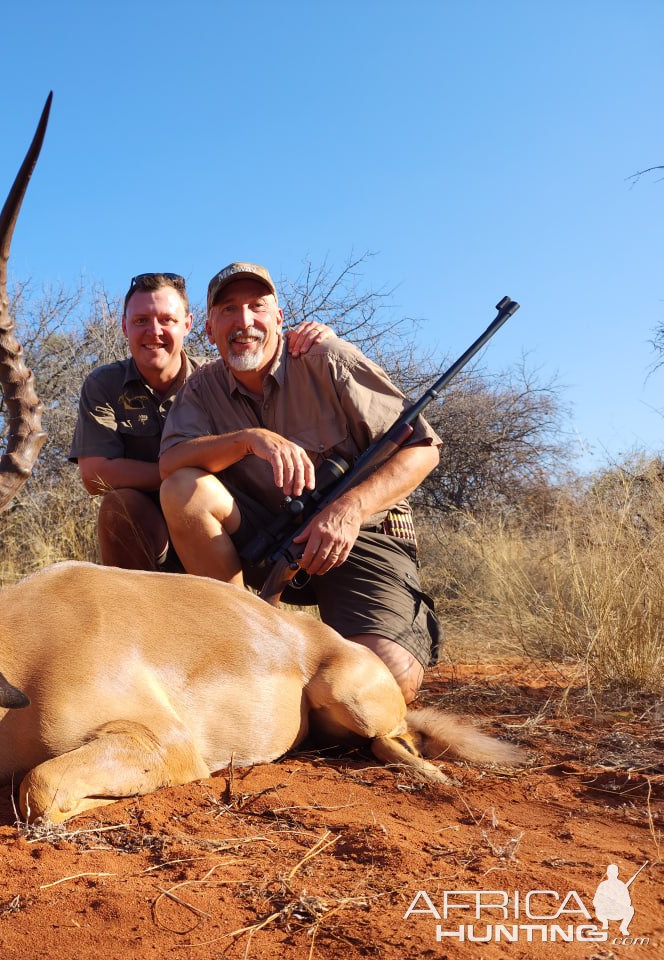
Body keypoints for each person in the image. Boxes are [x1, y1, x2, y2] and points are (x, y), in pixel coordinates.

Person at [159, 262, 441, 702]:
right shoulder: (201, 388)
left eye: (257, 306)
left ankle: (301, 668)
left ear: (279, 317)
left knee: (386, 681)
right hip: (269, 538)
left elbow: (423, 448)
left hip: (359, 536)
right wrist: (249, 440)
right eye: (229, 310)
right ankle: (243, 646)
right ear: (210, 328)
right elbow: (171, 462)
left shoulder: (330, 359)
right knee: (182, 490)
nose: (244, 321)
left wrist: (349, 510)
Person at [70, 272, 332, 570]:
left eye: (167, 320)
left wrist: (317, 341)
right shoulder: (104, 384)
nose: (154, 331)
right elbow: (95, 475)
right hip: (155, 522)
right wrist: (177, 471)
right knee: (119, 507)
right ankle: (134, 612)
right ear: (123, 327)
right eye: (141, 320)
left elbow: (271, 357)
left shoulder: (215, 379)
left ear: (188, 325)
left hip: (220, 516)